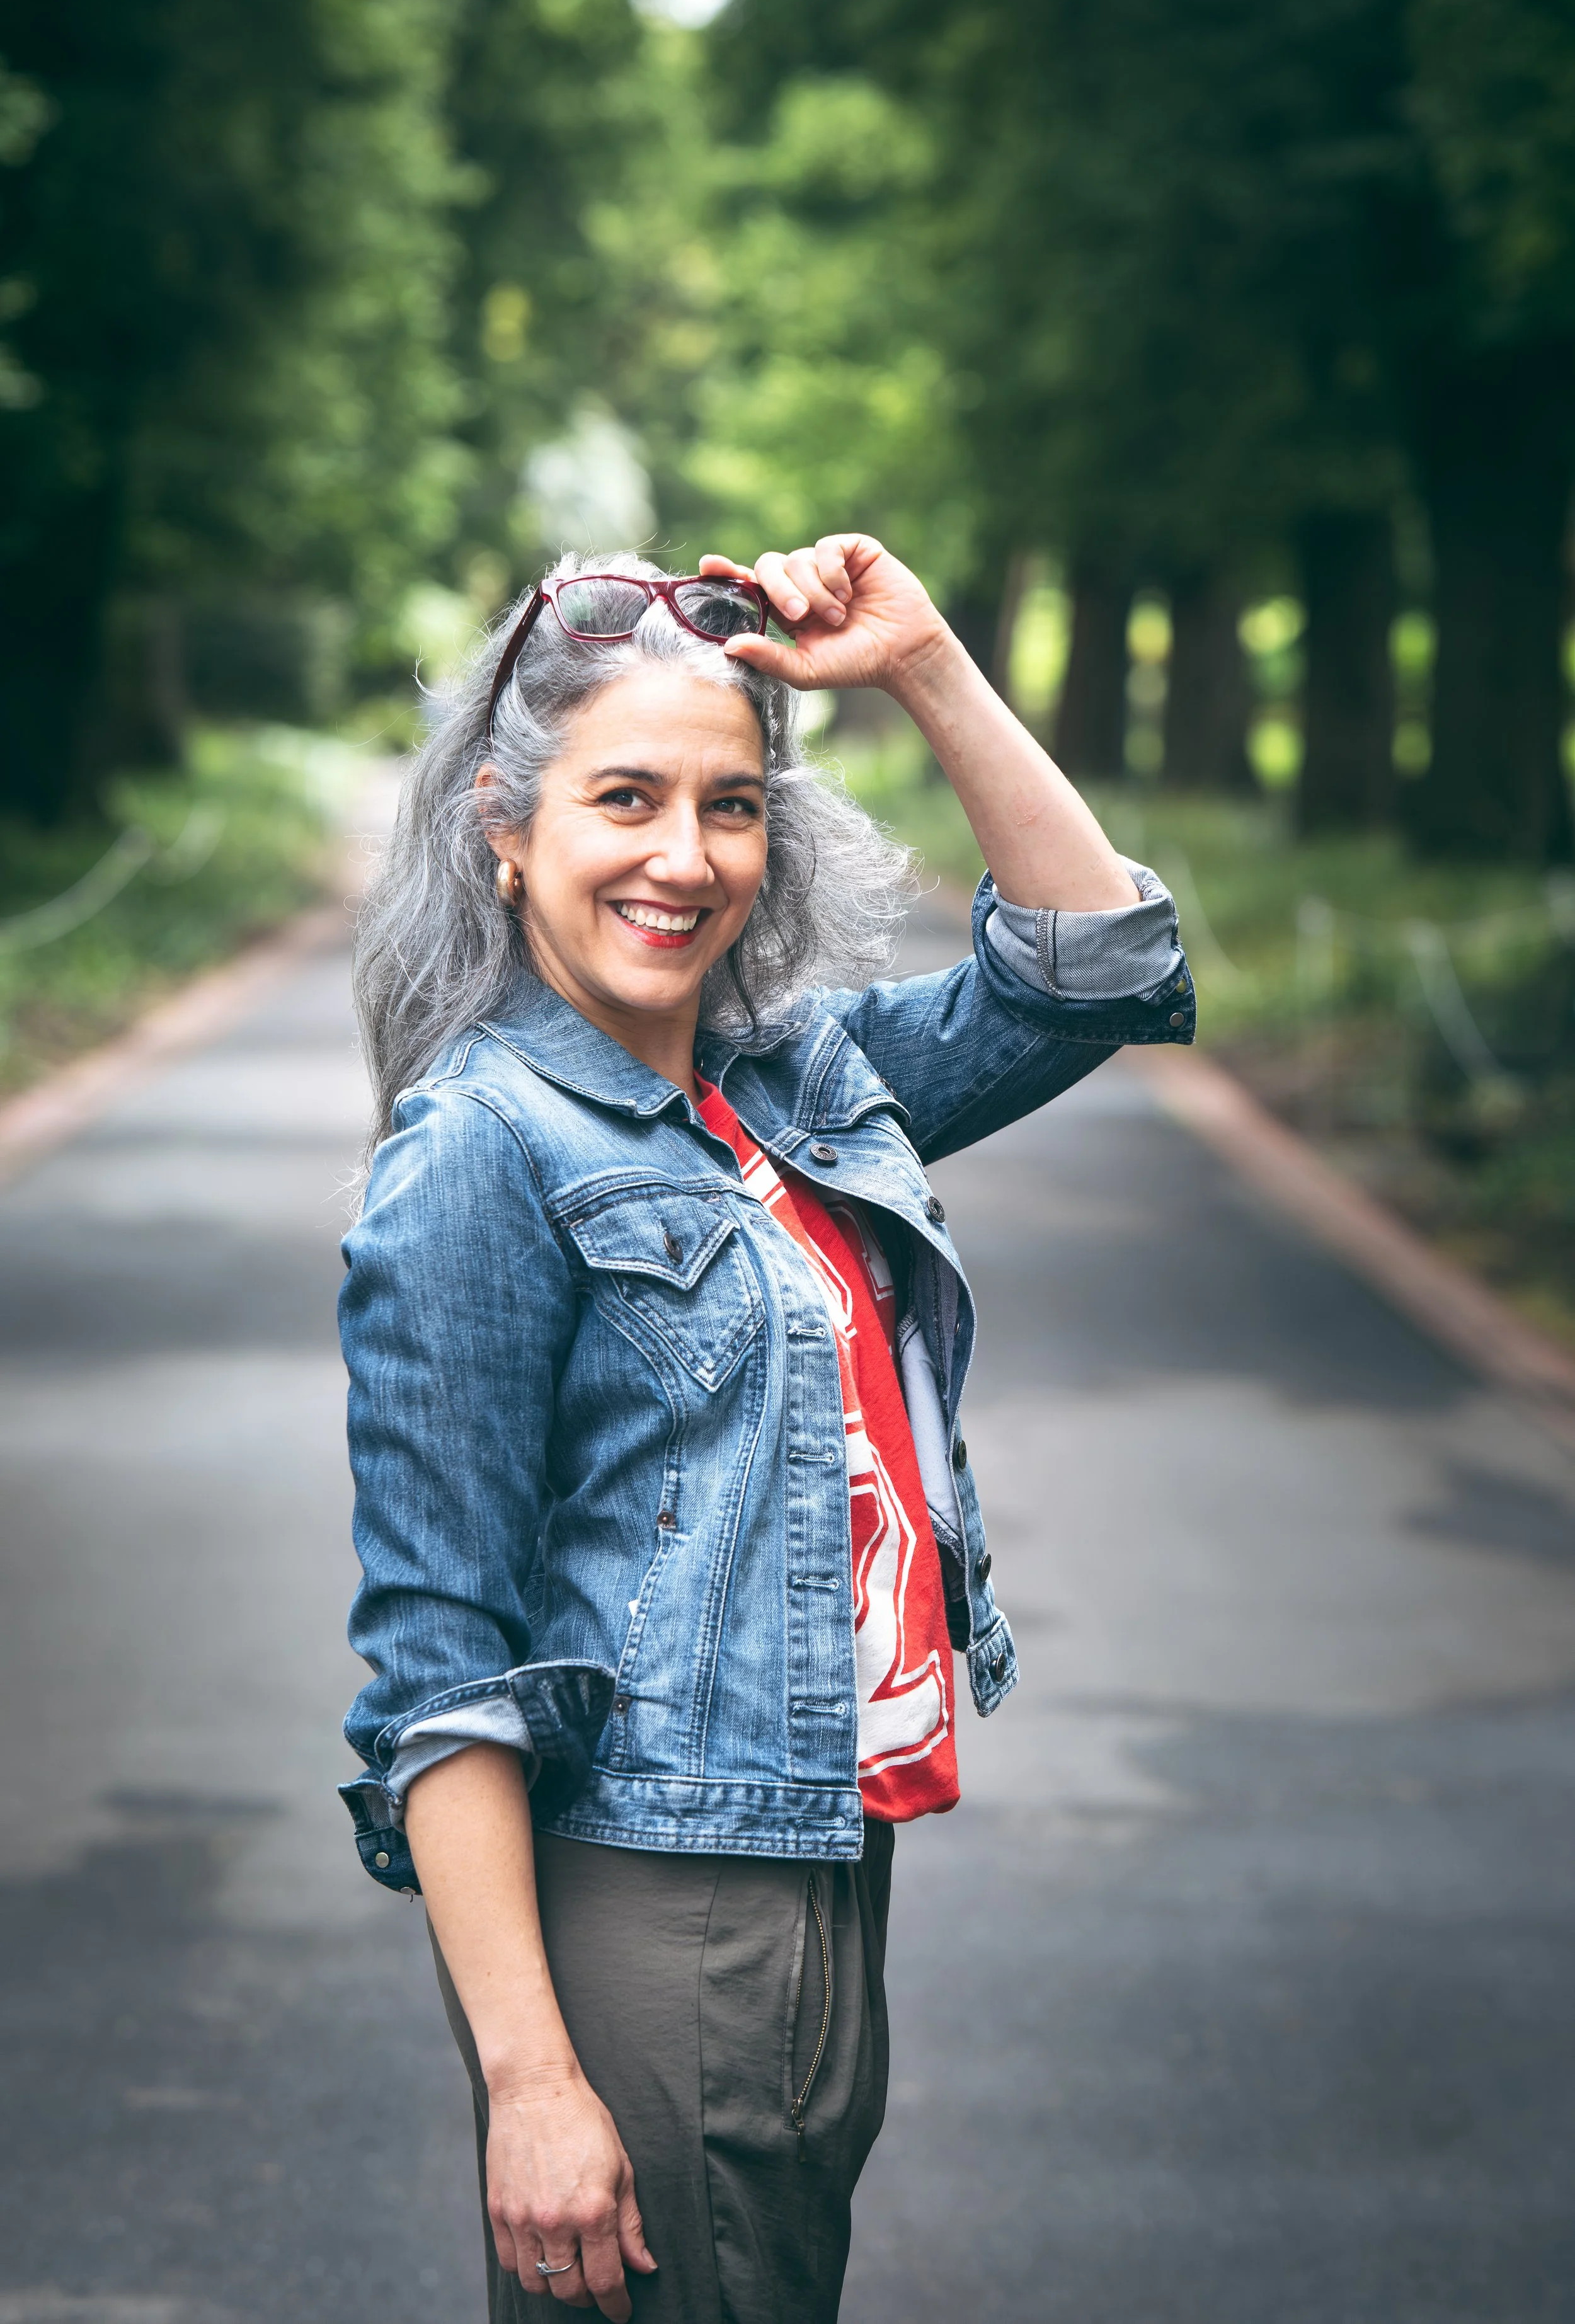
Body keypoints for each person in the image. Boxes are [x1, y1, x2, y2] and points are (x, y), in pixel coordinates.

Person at [339, 533, 1193, 2321]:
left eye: (731, 807)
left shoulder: (783, 1081)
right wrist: (531, 2079)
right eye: (625, 797)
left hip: (813, 1854)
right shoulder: (482, 1149)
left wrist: (926, 664)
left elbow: (1091, 967)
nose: (683, 856)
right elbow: (437, 1666)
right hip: (660, 1895)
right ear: (506, 828)